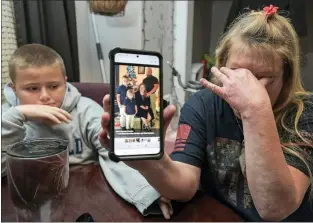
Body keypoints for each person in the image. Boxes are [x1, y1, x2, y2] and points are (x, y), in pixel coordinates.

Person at [99, 6, 313, 221]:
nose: (246, 88)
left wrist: (255, 111)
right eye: (237, 73)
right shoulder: (202, 105)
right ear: (221, 67)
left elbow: (274, 209)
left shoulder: (304, 115)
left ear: (286, 77)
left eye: (263, 78)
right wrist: (149, 162)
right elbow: (184, 186)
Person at [1, 43, 170, 218]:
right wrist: (17, 117)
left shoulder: (86, 110)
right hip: (29, 201)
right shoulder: (6, 117)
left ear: (65, 82)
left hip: (86, 195)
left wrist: (146, 193)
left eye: (53, 86)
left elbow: (115, 154)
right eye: (32, 88)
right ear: (14, 88)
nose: (45, 96)